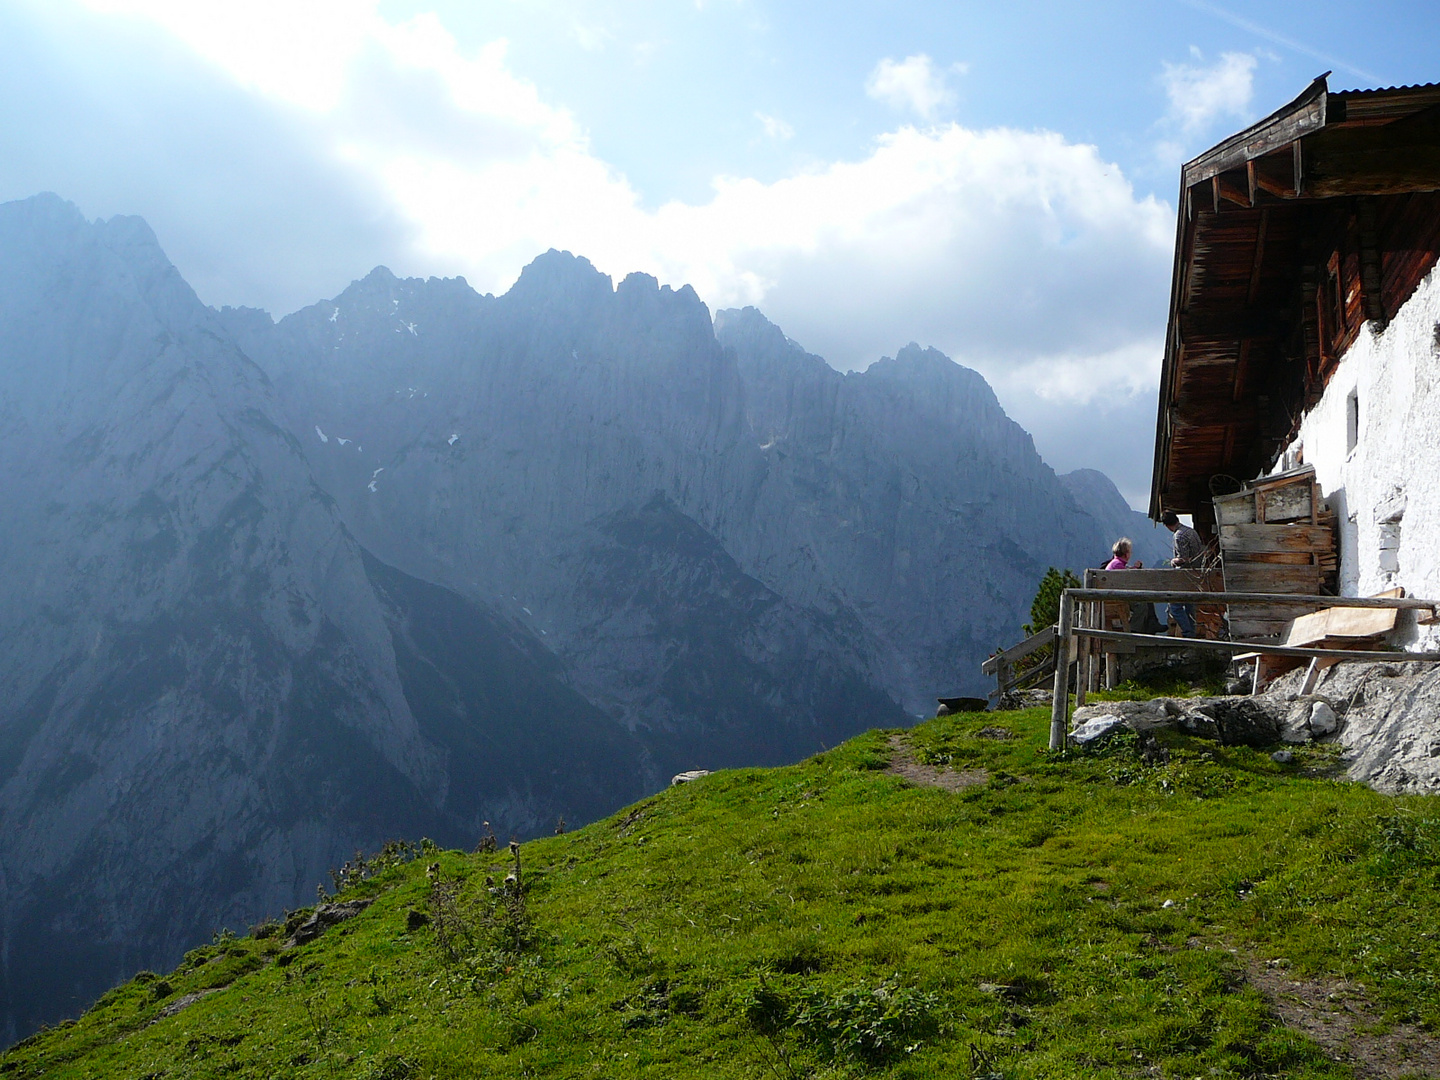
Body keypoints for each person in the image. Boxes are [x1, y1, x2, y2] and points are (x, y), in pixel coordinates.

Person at [1161, 510, 1204, 637]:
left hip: (1185, 575)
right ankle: (1193, 632)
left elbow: (1184, 559)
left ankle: (1188, 633)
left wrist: (1173, 561)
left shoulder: (1179, 535)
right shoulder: (1191, 531)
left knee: (1175, 607)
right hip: (1196, 573)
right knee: (1190, 605)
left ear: (1167, 525)